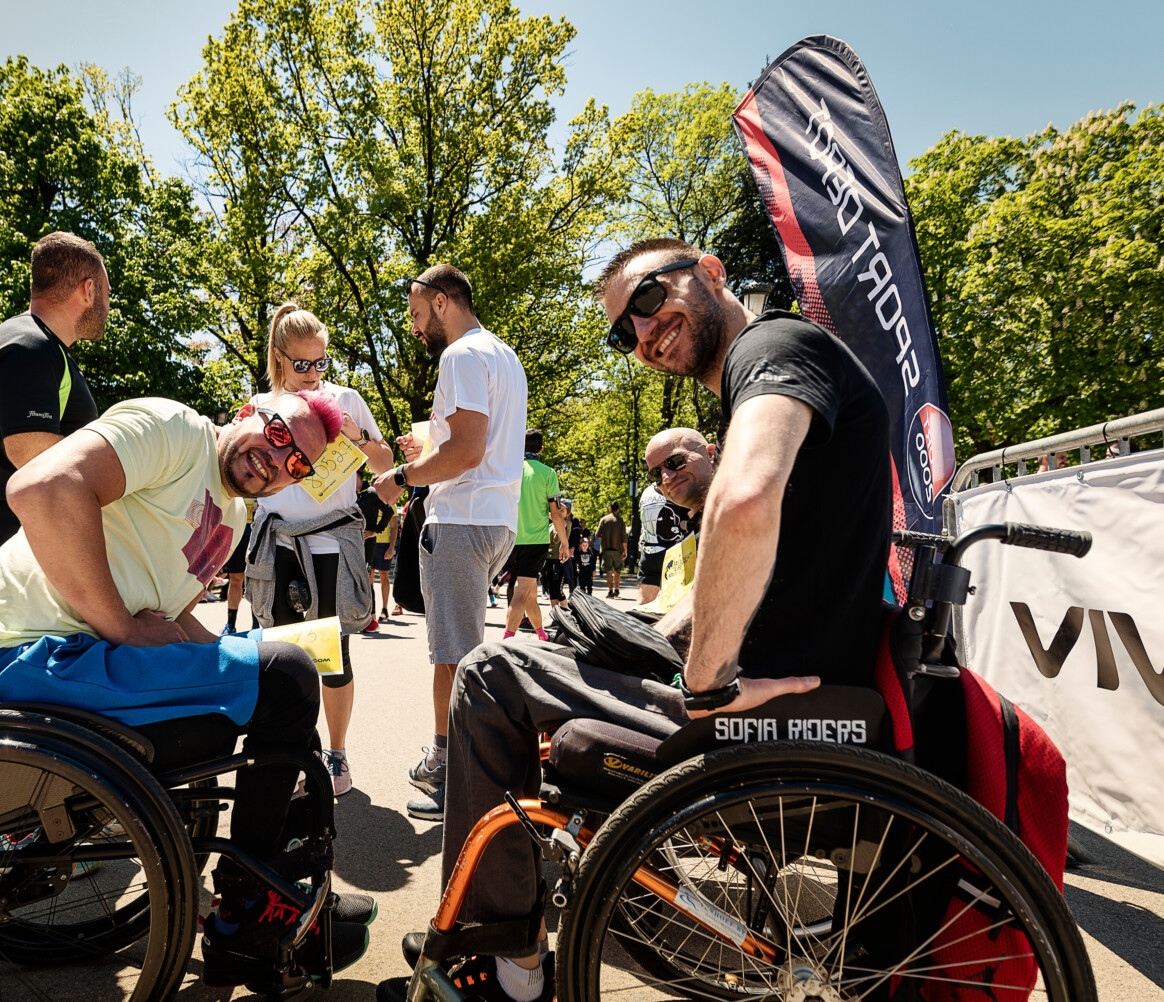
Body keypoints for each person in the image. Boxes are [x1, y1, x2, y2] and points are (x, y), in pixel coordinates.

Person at [378, 237, 891, 1002]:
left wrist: (707, 683)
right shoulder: (764, 371)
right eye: (626, 331)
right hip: (785, 683)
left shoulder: (778, 344)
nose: (644, 334)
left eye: (649, 300)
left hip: (770, 706)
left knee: (487, 673)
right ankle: (505, 936)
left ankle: (508, 971)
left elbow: (744, 501)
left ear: (710, 273)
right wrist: (650, 641)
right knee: (559, 643)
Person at [0, 390, 375, 985]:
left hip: (81, 659)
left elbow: (170, 622)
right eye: (277, 436)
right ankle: (249, 917)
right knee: (284, 679)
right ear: (248, 413)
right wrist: (122, 628)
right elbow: (40, 488)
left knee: (281, 673)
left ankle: (276, 883)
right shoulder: (175, 430)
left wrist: (239, 653)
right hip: (17, 661)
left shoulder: (236, 514)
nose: (277, 462)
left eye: (297, 464)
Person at [371, 264, 527, 822]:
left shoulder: (459, 356)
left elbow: (465, 453)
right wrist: (430, 440)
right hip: (494, 519)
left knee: (453, 657)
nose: (414, 328)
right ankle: (457, 758)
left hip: (461, 519)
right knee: (463, 650)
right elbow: (475, 442)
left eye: (416, 314)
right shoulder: (501, 354)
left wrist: (402, 477)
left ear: (441, 302)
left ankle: (452, 773)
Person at [245, 303, 395, 797]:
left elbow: (384, 463)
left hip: (331, 541)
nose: (313, 375)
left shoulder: (345, 397)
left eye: (321, 362)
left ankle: (336, 753)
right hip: (278, 541)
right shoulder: (259, 406)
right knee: (285, 656)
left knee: (331, 657)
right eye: (303, 363)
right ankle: (298, 751)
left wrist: (355, 433)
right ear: (280, 357)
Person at [0, 231, 105, 557]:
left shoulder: (41, 346)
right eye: (107, 293)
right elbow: (30, 454)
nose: (108, 306)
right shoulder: (29, 345)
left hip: (37, 537)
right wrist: (120, 458)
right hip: (30, 543)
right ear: (89, 290)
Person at [503, 430, 567, 643]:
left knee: (529, 592)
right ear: (541, 448)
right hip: (536, 541)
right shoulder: (547, 473)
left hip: (510, 538)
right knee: (522, 591)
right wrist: (564, 543)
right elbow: (556, 513)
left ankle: (541, 634)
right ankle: (507, 639)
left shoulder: (509, 470)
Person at [635, 430, 693, 605]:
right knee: (673, 605)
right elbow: (688, 520)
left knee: (643, 605)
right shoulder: (675, 490)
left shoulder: (645, 493)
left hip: (648, 553)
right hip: (672, 553)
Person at [218, 497, 257, 636]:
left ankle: (257, 624)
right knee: (235, 579)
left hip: (257, 533)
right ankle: (230, 624)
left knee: (257, 581)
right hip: (238, 533)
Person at [370, 496, 399, 621]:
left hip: (384, 544)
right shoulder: (368, 501)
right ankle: (371, 611)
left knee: (384, 575)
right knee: (368, 577)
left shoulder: (390, 503)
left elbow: (394, 528)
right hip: (369, 542)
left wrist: (391, 548)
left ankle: (385, 609)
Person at [594, 500, 627, 598]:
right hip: (618, 549)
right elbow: (623, 537)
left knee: (608, 570)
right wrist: (625, 550)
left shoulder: (604, 519)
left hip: (606, 549)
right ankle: (617, 590)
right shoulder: (621, 520)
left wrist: (605, 537)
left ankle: (610, 591)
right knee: (618, 570)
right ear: (618, 510)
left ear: (610, 509)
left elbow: (597, 534)